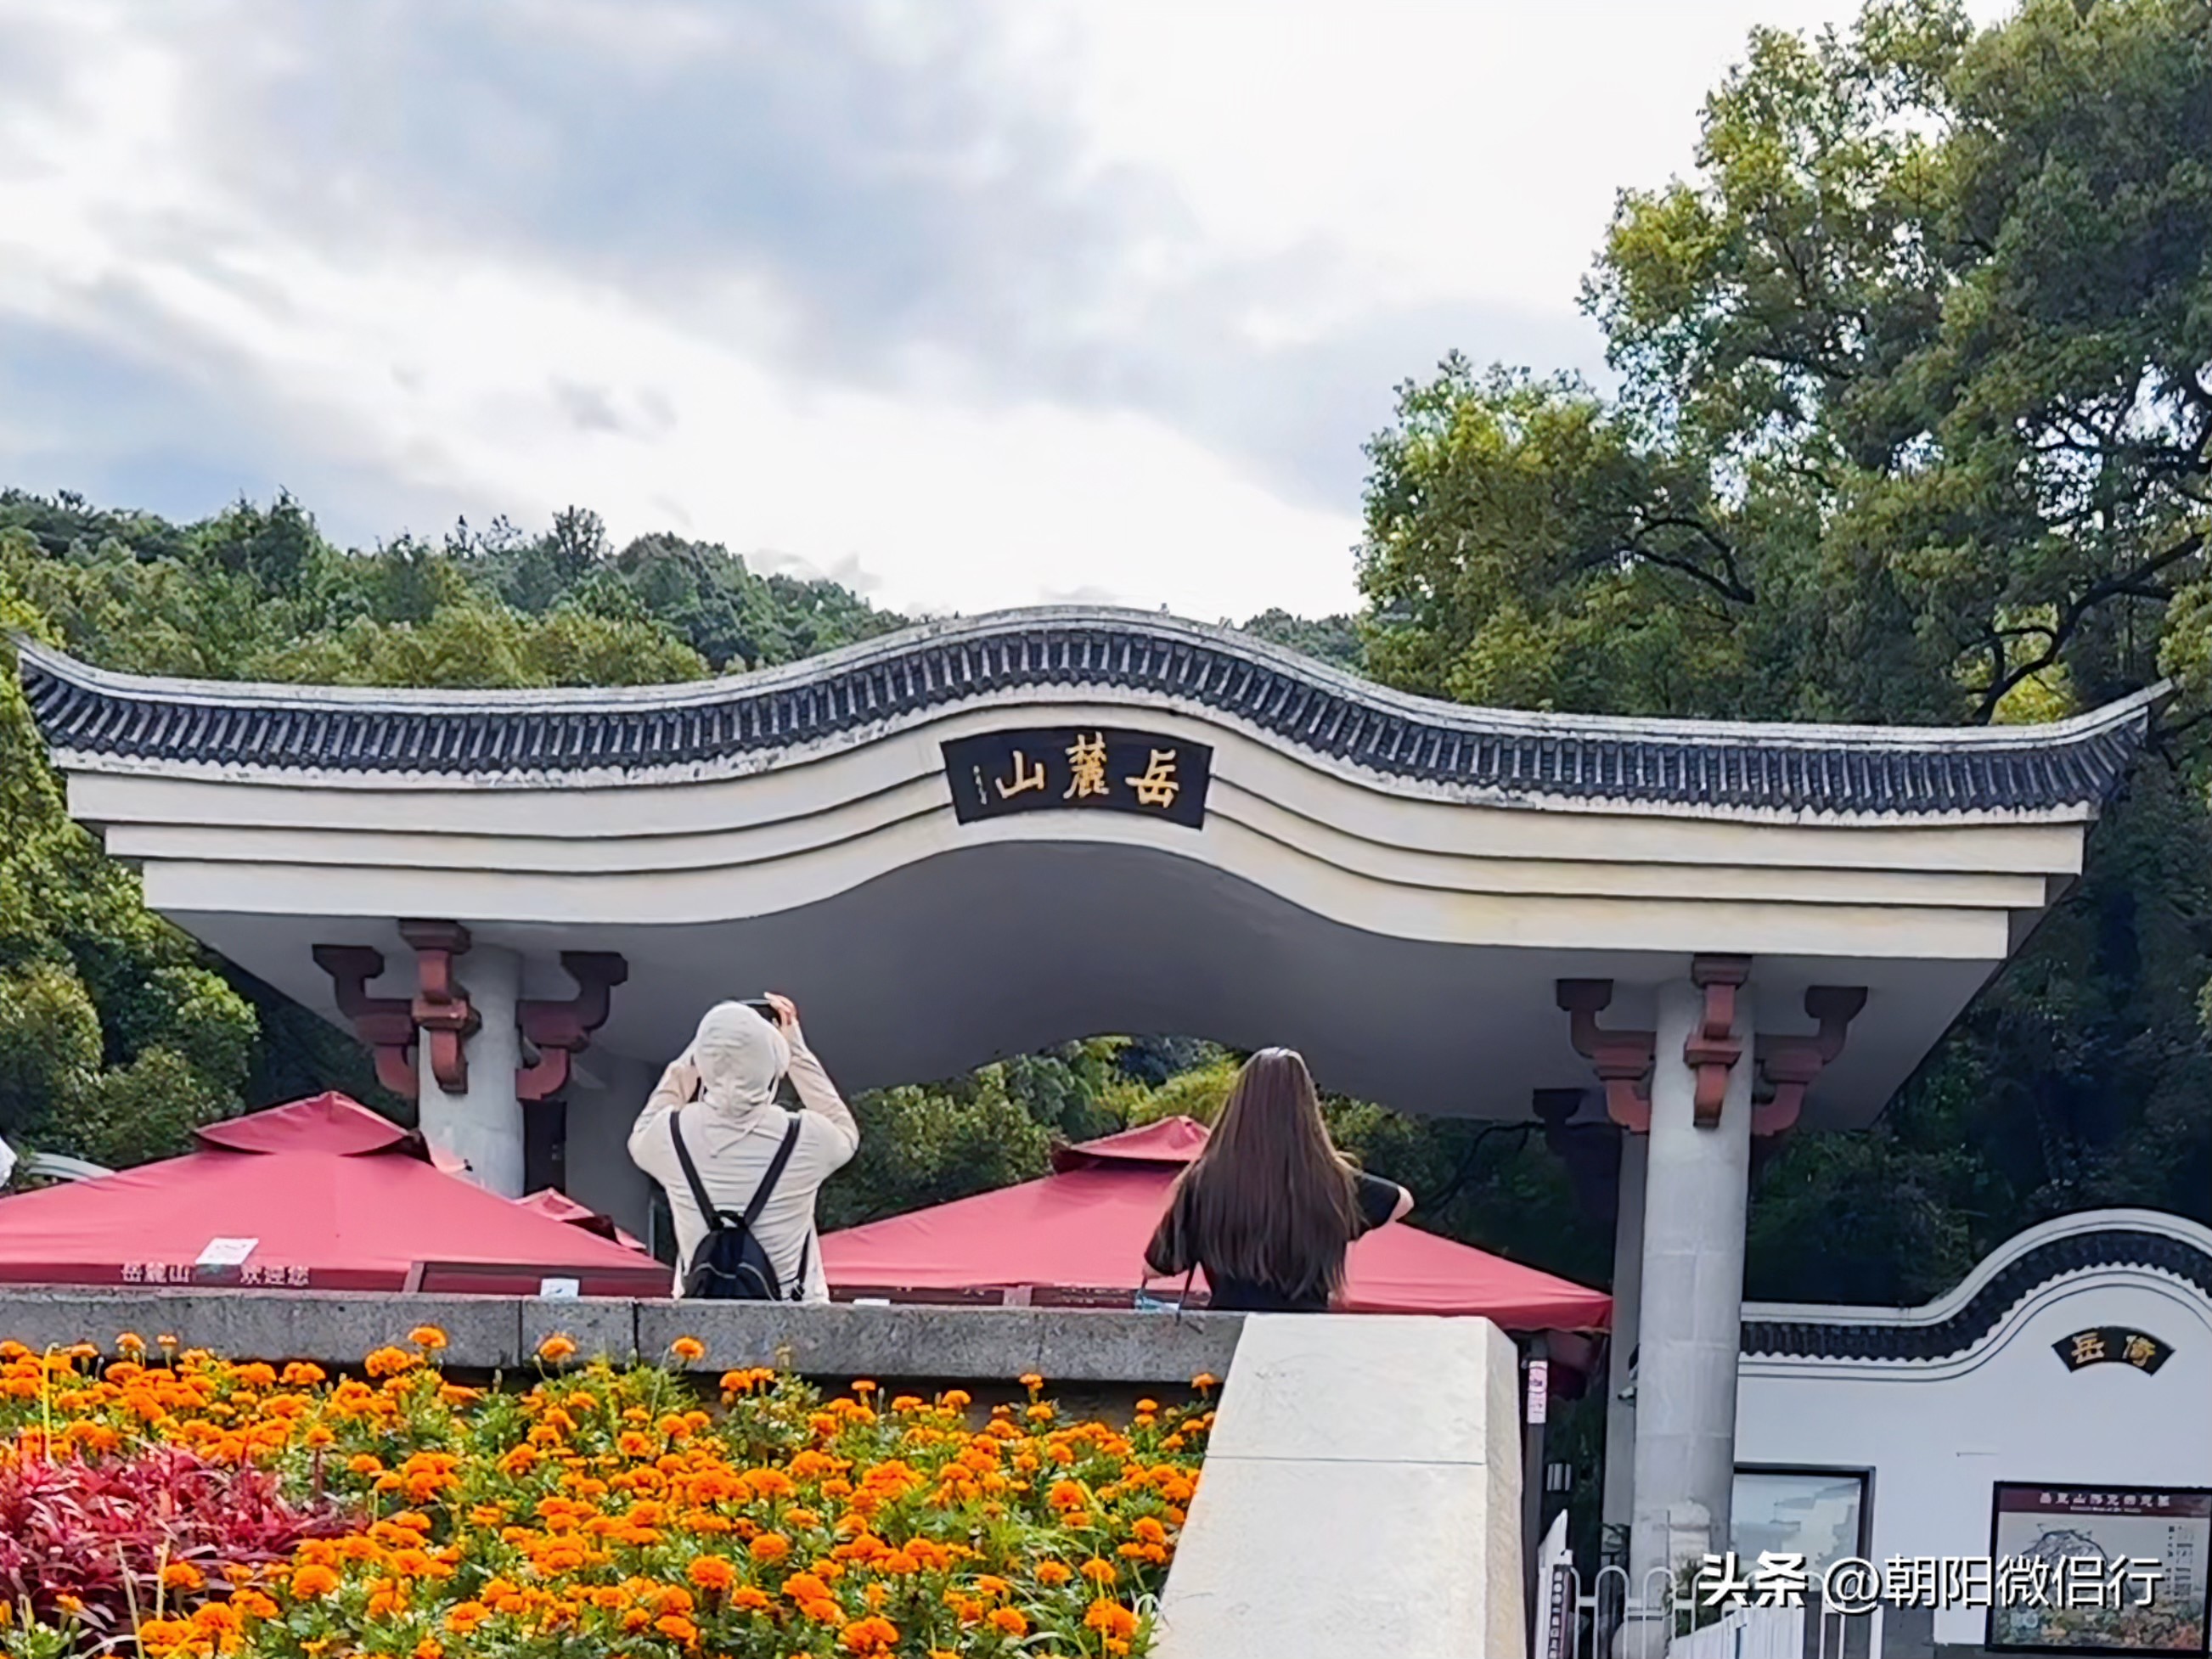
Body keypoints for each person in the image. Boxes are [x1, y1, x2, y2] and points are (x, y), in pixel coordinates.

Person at [1143, 1047, 1412, 1313]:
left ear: (1241, 1105)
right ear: (1305, 1109)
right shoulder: (1332, 1183)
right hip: (1306, 1337)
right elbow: (1401, 1200)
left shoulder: (1206, 1182)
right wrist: (1338, 1225)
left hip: (1234, 1336)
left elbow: (1154, 1268)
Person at [628, 993, 858, 1302]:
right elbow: (844, 1129)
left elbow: (641, 1130)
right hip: (792, 1312)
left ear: (702, 1060)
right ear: (772, 1062)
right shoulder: (804, 1135)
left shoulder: (669, 1133)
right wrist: (797, 1052)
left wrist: (699, 1056)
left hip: (699, 1317)